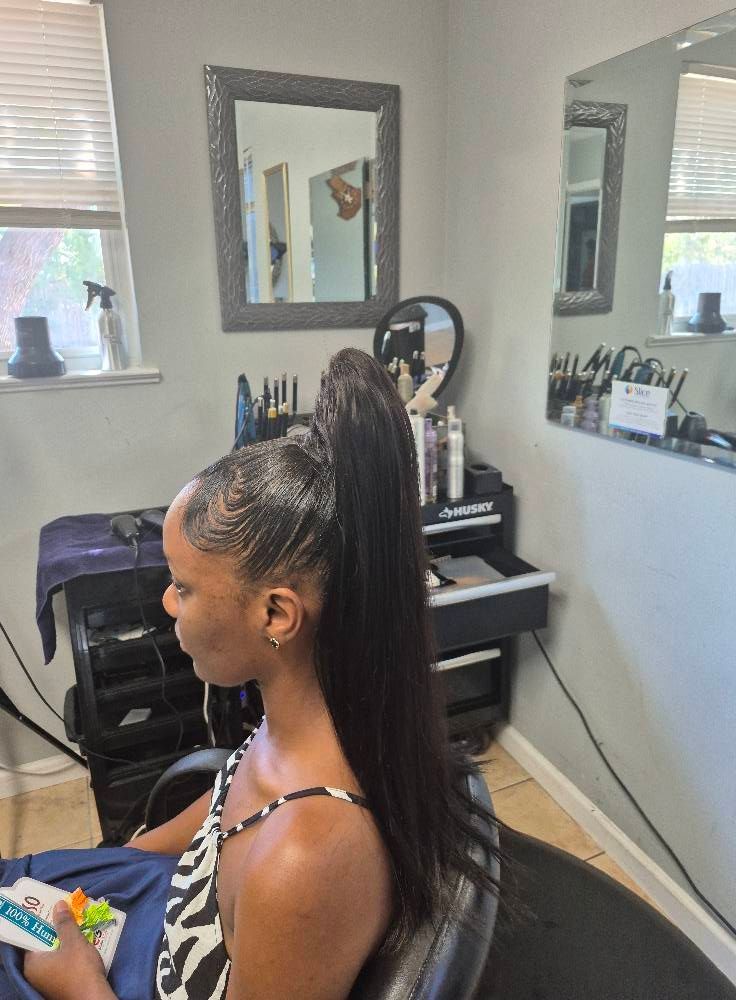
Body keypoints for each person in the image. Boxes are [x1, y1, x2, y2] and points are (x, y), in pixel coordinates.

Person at [14, 348, 499, 1000]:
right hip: (165, 908)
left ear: (276, 613)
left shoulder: (304, 863)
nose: (166, 603)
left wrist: (77, 984)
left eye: (183, 588)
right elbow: (226, 807)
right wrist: (128, 855)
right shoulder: (307, 713)